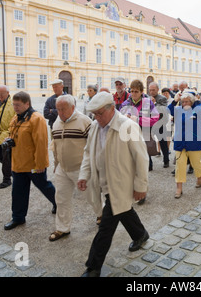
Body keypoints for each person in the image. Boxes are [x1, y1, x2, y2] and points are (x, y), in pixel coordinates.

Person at [78, 92, 149, 277]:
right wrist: (84, 175)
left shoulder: (128, 127)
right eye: (94, 114)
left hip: (120, 184)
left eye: (100, 113)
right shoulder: (94, 126)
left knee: (106, 227)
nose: (97, 117)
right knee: (123, 210)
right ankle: (140, 234)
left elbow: (141, 159)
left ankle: (93, 267)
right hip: (103, 182)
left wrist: (141, 186)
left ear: (112, 108)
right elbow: (88, 153)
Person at [49, 95, 103, 241]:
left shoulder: (85, 121)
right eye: (58, 109)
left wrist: (93, 168)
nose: (60, 112)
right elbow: (55, 146)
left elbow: (94, 147)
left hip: (81, 168)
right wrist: (56, 164)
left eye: (63, 109)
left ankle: (101, 214)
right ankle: (62, 228)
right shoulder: (56, 122)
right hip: (62, 168)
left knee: (91, 196)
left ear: (72, 107)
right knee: (61, 199)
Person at [4, 92, 56, 230]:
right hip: (18, 163)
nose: (15, 107)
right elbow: (13, 134)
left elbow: (41, 143)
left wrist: (40, 164)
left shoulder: (36, 118)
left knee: (44, 186)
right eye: (14, 104)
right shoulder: (16, 118)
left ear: (27, 104)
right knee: (18, 192)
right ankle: (18, 218)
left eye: (18, 105)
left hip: (33, 164)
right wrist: (8, 140)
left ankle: (58, 203)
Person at [168, 90, 201, 198]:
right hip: (180, 142)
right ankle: (179, 188)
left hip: (194, 142)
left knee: (196, 164)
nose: (184, 103)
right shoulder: (178, 110)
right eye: (183, 101)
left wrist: (197, 101)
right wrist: (175, 101)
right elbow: (169, 110)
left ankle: (199, 177)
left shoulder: (197, 109)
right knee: (180, 166)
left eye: (187, 101)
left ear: (192, 102)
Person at [120, 80, 159, 174]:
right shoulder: (125, 103)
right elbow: (119, 118)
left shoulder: (148, 102)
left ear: (141, 92)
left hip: (144, 133)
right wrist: (124, 118)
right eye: (132, 91)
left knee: (145, 160)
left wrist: (139, 120)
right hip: (130, 135)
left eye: (136, 91)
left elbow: (155, 118)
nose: (133, 93)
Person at [148, 82, 170, 168]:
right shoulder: (147, 98)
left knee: (163, 142)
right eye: (150, 90)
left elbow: (162, 111)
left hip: (160, 123)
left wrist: (153, 104)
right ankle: (149, 164)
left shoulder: (162, 98)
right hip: (149, 124)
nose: (152, 92)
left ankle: (166, 160)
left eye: (153, 90)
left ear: (157, 90)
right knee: (148, 143)